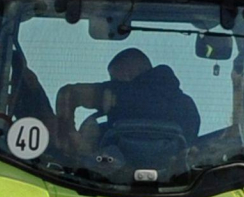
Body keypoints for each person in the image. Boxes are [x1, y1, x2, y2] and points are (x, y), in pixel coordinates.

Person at [55, 47, 201, 144]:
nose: (112, 83)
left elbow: (68, 94)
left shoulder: (119, 94)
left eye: (113, 78)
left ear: (127, 74)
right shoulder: (186, 106)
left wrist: (69, 137)